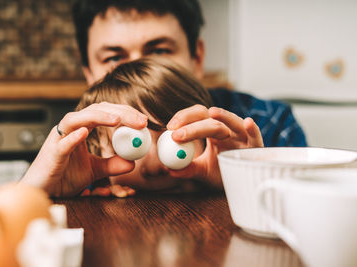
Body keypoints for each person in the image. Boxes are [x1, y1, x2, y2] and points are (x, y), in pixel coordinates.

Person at [21, 0, 306, 197]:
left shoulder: (268, 123)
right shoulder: (76, 149)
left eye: (158, 51)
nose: (142, 71)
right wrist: (36, 193)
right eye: (115, 58)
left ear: (197, 58)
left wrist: (250, 181)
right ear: (88, 72)